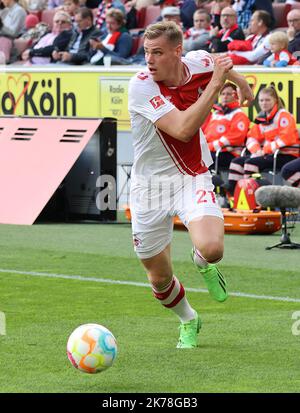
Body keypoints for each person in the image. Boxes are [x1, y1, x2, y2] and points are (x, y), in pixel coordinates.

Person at [128, 21, 253, 348]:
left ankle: (202, 261)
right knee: (159, 277)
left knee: (212, 249)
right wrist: (216, 86)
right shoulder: (141, 86)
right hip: (149, 188)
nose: (149, 60)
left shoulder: (198, 62)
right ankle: (189, 319)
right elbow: (183, 129)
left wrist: (241, 84)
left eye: (157, 53)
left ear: (177, 52)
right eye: (146, 53)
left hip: (190, 175)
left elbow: (220, 62)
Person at [227, 86, 299, 195]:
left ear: (275, 100)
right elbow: (251, 138)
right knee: (236, 162)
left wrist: (264, 150)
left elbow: (286, 139)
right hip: (271, 154)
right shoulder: (262, 118)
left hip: (287, 155)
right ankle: (234, 196)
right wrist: (256, 150)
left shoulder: (283, 115)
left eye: (267, 100)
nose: (264, 103)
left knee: (250, 163)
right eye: (261, 100)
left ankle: (251, 197)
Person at [203, 82, 250, 170]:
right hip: (214, 151)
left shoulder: (239, 114)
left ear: (236, 96)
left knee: (203, 160)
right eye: (223, 94)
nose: (225, 96)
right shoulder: (216, 113)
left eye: (228, 94)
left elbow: (235, 137)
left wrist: (212, 146)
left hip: (230, 154)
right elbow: (208, 133)